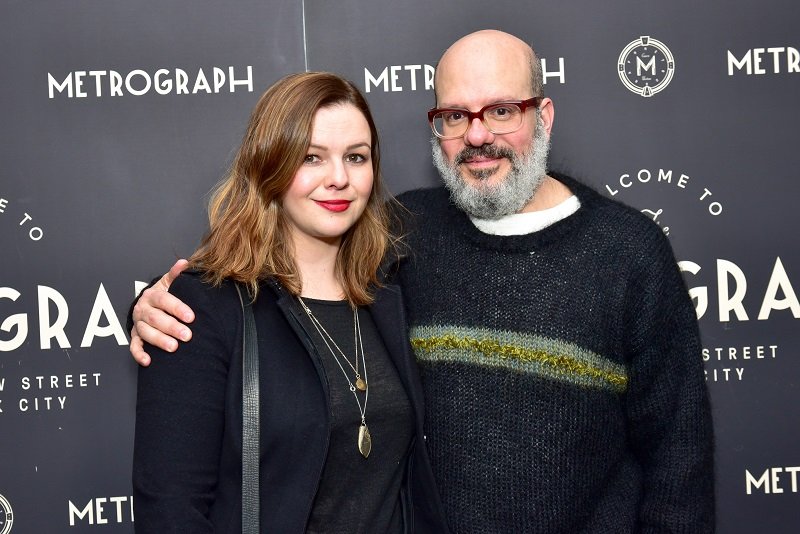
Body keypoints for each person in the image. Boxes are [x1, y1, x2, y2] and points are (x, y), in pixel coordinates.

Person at [130, 31, 715, 533]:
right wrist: (155, 303)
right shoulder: (407, 234)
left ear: (543, 115)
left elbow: (679, 463)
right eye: (456, 115)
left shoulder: (629, 251)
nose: (478, 135)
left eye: (502, 110)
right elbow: (252, 274)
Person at [131, 71, 448, 533]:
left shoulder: (394, 287)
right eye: (311, 158)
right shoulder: (204, 307)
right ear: (270, 165)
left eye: (356, 157)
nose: (338, 178)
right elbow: (170, 511)